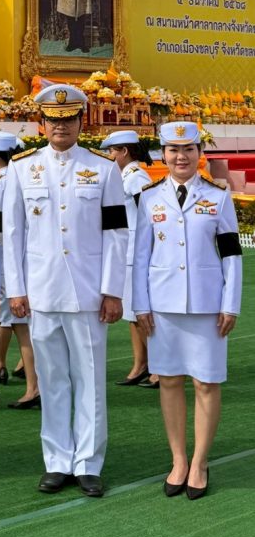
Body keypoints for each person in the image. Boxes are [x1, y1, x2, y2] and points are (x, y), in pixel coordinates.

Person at [2, 84, 127, 497]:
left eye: (68, 119)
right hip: (41, 291)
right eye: (53, 120)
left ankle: (88, 462)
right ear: (42, 123)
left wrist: (112, 290)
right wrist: (15, 289)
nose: (61, 126)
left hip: (88, 293)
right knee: (52, 379)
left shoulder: (104, 168)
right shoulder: (22, 168)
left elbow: (116, 234)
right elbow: (12, 234)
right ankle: (56, 461)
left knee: (90, 379)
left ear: (80, 121)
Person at [133, 122, 242, 500]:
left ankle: (199, 462)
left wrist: (230, 304)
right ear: (163, 154)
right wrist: (140, 304)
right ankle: (178, 460)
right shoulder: (149, 198)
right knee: (169, 380)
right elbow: (140, 256)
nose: (181, 157)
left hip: (207, 306)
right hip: (162, 307)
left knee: (206, 383)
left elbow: (231, 255)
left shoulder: (218, 197)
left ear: (200, 154)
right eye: (173, 150)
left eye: (188, 149)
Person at [0, 132, 40, 412]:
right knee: (19, 325)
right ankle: (31, 386)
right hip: (17, 260)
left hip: (3, 261)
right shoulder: (18, 177)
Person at [100, 130, 153, 386]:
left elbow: (149, 214)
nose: (110, 156)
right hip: (127, 251)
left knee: (139, 313)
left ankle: (159, 366)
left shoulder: (136, 177)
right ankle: (141, 364)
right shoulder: (125, 175)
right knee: (132, 314)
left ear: (124, 151)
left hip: (136, 250)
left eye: (112, 151)